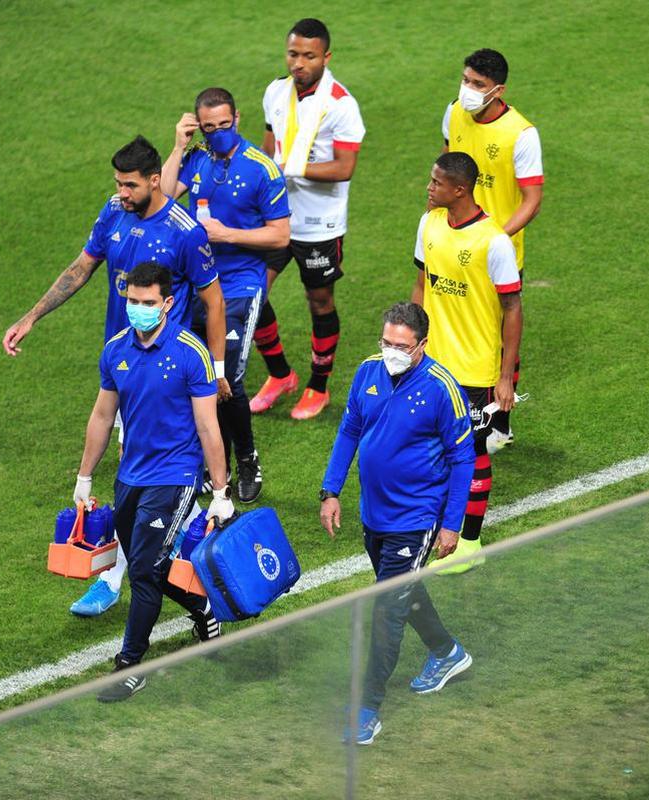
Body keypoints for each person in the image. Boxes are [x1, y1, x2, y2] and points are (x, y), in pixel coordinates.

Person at [3, 136, 227, 617]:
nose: (121, 193)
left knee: (150, 471)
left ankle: (119, 575)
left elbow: (213, 300)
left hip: (172, 371)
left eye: (129, 185)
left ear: (154, 180)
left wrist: (217, 367)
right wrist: (31, 317)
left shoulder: (185, 232)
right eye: (118, 184)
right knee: (137, 473)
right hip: (124, 364)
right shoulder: (113, 213)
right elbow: (82, 267)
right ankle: (165, 564)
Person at [75, 263, 234, 702]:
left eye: (148, 303)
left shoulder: (190, 352)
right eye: (132, 302)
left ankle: (130, 665)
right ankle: (203, 609)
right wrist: (84, 477)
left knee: (143, 571)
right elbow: (103, 416)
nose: (139, 310)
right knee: (153, 565)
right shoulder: (115, 351)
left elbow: (208, 428)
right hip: (130, 477)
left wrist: (220, 493)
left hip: (176, 477)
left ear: (167, 304)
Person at [320, 302, 475, 745]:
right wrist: (331, 491)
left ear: (422, 345)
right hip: (375, 514)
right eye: (386, 342)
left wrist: (450, 524)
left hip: (417, 516)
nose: (391, 351)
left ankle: (367, 708)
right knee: (402, 589)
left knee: (386, 608)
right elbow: (349, 431)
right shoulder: (368, 372)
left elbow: (463, 458)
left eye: (401, 346)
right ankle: (447, 652)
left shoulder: (443, 389)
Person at [161, 87, 292, 503]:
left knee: (227, 378)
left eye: (223, 125)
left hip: (239, 284)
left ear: (237, 119)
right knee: (192, 375)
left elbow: (281, 235)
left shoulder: (261, 168)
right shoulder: (197, 158)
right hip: (196, 282)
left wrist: (226, 234)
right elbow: (162, 197)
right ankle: (204, 459)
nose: (217, 133)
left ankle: (247, 458)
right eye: (208, 127)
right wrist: (178, 146)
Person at [411, 152, 522, 575]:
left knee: (473, 454)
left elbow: (512, 309)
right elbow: (423, 283)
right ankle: (441, 528)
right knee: (432, 447)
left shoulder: (493, 241)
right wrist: (410, 342)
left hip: (474, 369)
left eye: (437, 182)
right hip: (431, 363)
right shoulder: (429, 224)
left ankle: (470, 542)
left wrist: (505, 375)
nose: (429, 187)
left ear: (459, 189)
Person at [253, 17, 366, 420]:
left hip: (321, 224)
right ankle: (280, 375)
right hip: (276, 217)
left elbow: (344, 167)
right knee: (250, 295)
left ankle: (318, 386)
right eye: (293, 53)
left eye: (308, 56)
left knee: (319, 301)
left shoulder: (341, 104)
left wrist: (292, 167)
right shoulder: (275, 92)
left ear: (326, 57)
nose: (298, 63)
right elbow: (269, 149)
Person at [442, 48, 542, 445]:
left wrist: (496, 239)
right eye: (466, 80)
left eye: (478, 85)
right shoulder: (453, 112)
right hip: (453, 244)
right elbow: (448, 172)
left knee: (501, 334)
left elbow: (532, 199)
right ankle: (460, 412)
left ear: (497, 90)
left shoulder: (521, 133)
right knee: (458, 328)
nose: (467, 90)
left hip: (497, 252)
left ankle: (500, 418)